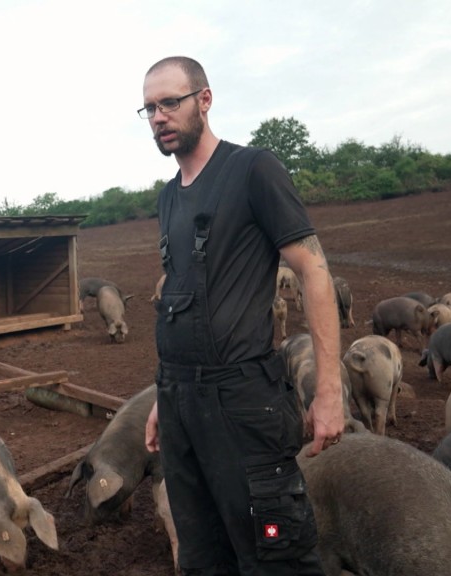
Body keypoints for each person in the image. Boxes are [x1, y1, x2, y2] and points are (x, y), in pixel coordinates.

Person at [141, 56, 346, 575]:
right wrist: (166, 395)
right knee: (202, 557)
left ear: (204, 101)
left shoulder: (252, 169)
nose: (159, 116)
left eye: (170, 102)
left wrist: (328, 391)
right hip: (182, 406)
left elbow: (313, 270)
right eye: (148, 108)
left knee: (274, 557)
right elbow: (180, 298)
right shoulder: (168, 199)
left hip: (243, 403)